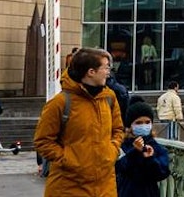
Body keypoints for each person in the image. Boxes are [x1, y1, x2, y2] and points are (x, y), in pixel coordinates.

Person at [35, 47, 125, 196]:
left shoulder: (109, 98)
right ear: (91, 72)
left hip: (104, 186)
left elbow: (118, 130)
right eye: (105, 67)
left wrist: (111, 151)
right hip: (69, 187)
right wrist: (69, 159)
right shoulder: (60, 103)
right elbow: (42, 141)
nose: (109, 72)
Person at [115, 101, 171, 197]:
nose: (143, 126)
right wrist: (134, 152)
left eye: (147, 122)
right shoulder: (122, 146)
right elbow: (118, 168)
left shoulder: (156, 147)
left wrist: (150, 159)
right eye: (139, 123)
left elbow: (162, 173)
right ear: (130, 126)